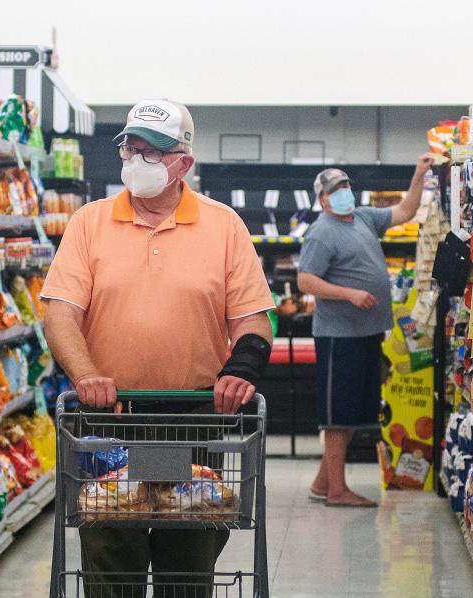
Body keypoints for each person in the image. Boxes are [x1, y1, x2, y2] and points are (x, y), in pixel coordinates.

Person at [41, 99, 275, 597]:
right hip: (108, 419)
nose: (136, 158)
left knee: (187, 547)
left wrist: (241, 369)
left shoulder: (223, 225)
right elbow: (59, 311)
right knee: (109, 543)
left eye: (152, 151)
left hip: (189, 419)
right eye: (131, 147)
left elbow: (254, 319)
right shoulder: (89, 222)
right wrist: (86, 376)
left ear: (183, 163)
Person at [296, 155, 436, 507]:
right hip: (338, 335)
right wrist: (350, 293)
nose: (344, 192)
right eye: (335, 189)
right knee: (337, 416)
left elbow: (405, 211)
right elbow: (305, 280)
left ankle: (322, 483)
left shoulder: (362, 218)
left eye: (346, 186)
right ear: (323, 200)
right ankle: (338, 491)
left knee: (353, 411)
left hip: (366, 333)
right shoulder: (321, 232)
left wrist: (418, 172)